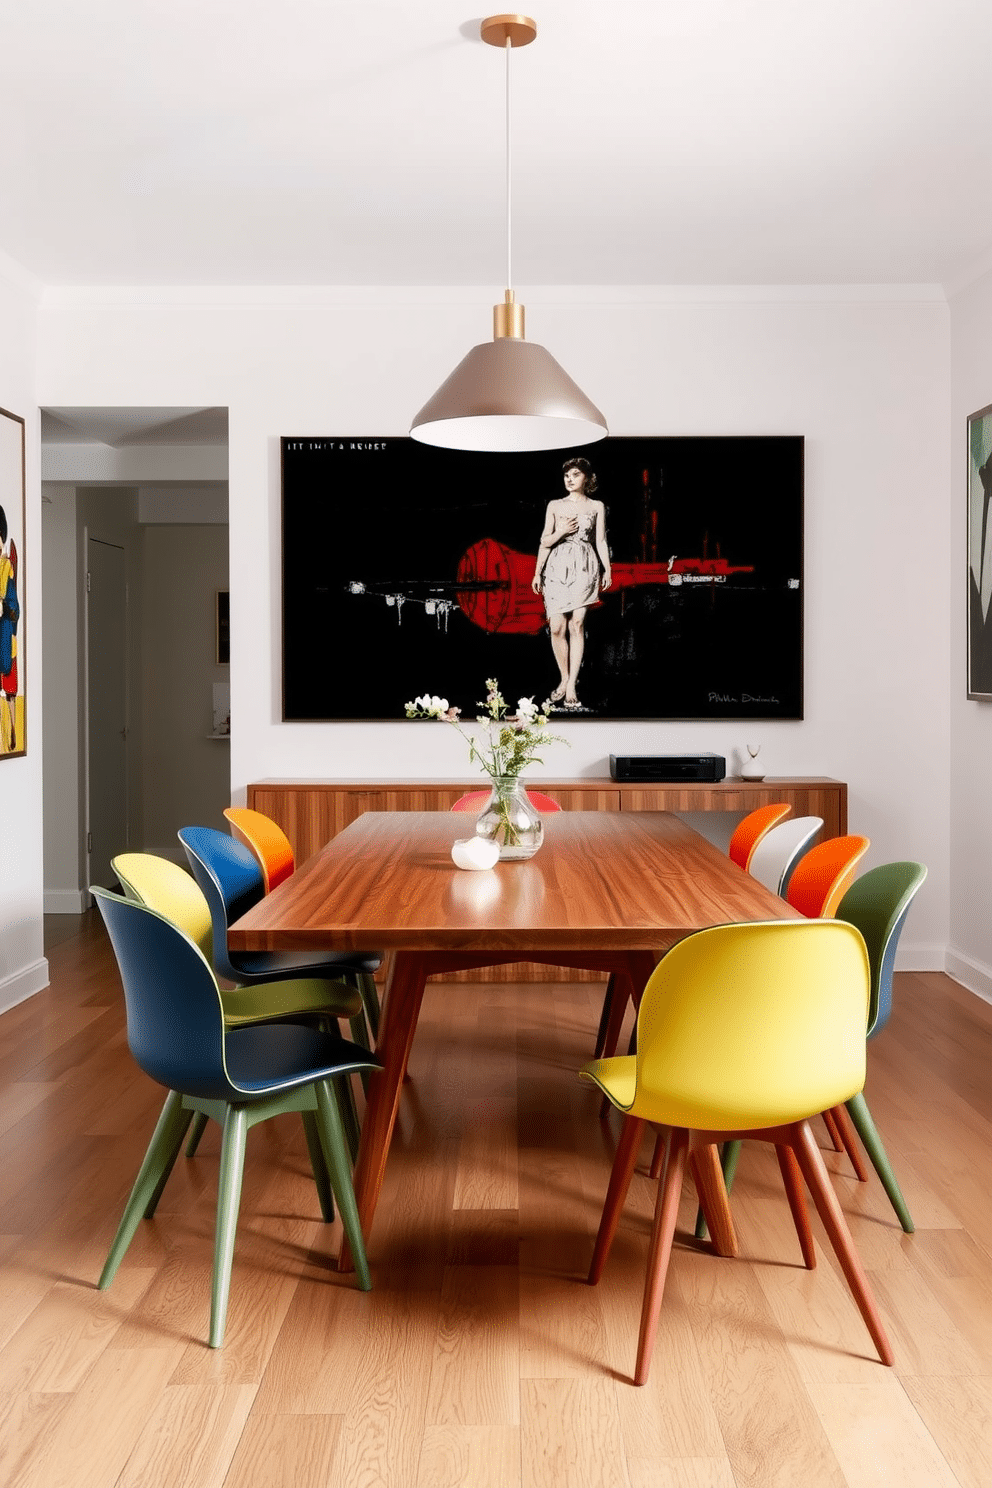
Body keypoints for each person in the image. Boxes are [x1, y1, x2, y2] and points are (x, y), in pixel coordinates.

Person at [531, 456, 611, 709]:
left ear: (586, 478)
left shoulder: (596, 506)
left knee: (577, 623)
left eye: (575, 474)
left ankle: (572, 684)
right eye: (567, 475)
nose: (569, 479)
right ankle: (564, 679)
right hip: (557, 565)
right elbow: (545, 541)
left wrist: (606, 569)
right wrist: (537, 572)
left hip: (585, 565)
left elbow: (600, 541)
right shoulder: (555, 505)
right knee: (556, 627)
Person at [0, 504, 19, 753]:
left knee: (10, 686)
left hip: (3, 632)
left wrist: (7, 611)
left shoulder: (6, 569)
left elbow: (13, 603)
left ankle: (13, 727)